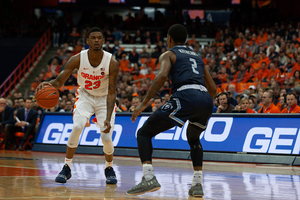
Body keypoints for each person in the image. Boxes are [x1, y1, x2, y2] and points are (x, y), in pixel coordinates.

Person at [126, 24, 216, 197]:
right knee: (194, 137)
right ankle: (197, 184)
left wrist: (144, 103)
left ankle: (149, 177)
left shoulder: (169, 54)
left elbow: (161, 76)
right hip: (206, 99)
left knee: (144, 133)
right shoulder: (197, 57)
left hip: (186, 95)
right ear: (186, 39)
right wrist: (203, 101)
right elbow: (212, 88)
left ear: (169, 38)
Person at [36, 27, 119, 184]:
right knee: (77, 126)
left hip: (104, 99)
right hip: (85, 96)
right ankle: (66, 167)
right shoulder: (77, 58)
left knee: (106, 137)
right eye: (93, 38)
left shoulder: (112, 62)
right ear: (87, 41)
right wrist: (49, 84)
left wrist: (108, 118)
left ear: (103, 41)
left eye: (99, 38)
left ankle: (109, 168)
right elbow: (60, 81)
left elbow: (112, 92)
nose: (96, 40)